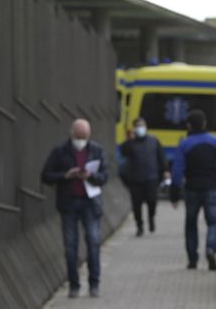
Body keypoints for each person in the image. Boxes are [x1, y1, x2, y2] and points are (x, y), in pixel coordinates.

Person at [41, 119, 108, 298]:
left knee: (93, 242)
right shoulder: (60, 151)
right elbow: (46, 175)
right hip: (69, 202)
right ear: (71, 134)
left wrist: (91, 175)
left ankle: (94, 283)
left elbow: (104, 176)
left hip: (90, 203)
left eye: (84, 137)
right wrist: (65, 175)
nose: (81, 140)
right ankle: (74, 285)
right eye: (78, 136)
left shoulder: (96, 150)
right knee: (70, 246)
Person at [170, 109, 216, 271]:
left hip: (192, 189)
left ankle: (193, 259)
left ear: (189, 125)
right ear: (204, 123)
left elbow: (177, 170)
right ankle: (211, 248)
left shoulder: (184, 144)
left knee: (191, 224)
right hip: (212, 188)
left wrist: (174, 193)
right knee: (213, 222)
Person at [119, 117, 167, 236]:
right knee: (137, 204)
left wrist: (165, 170)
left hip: (151, 177)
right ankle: (139, 225)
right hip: (135, 178)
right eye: (138, 126)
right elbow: (123, 152)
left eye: (142, 125)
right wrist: (128, 140)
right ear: (134, 128)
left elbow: (161, 156)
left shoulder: (153, 141)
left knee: (152, 201)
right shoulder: (130, 143)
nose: (141, 128)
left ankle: (151, 218)